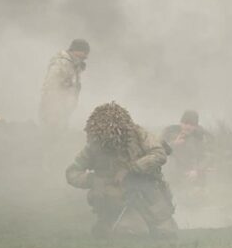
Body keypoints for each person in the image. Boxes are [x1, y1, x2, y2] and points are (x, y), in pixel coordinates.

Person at [66, 102, 177, 238]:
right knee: (133, 232)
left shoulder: (139, 135)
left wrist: (131, 168)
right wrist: (94, 180)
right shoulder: (94, 147)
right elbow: (72, 172)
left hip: (147, 192)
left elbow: (159, 154)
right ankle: (108, 224)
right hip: (117, 198)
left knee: (167, 232)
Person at [161, 110, 214, 195]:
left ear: (196, 126)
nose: (188, 127)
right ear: (181, 123)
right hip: (173, 171)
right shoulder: (170, 133)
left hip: (193, 171)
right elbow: (158, 150)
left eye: (191, 125)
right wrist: (174, 144)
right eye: (185, 123)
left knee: (197, 196)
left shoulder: (200, 137)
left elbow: (208, 156)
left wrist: (197, 170)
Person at [39, 38, 89, 128]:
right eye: (84, 52)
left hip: (63, 111)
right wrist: (53, 109)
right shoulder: (61, 63)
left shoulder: (74, 65)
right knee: (51, 135)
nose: (86, 56)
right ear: (76, 50)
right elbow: (50, 85)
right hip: (53, 111)